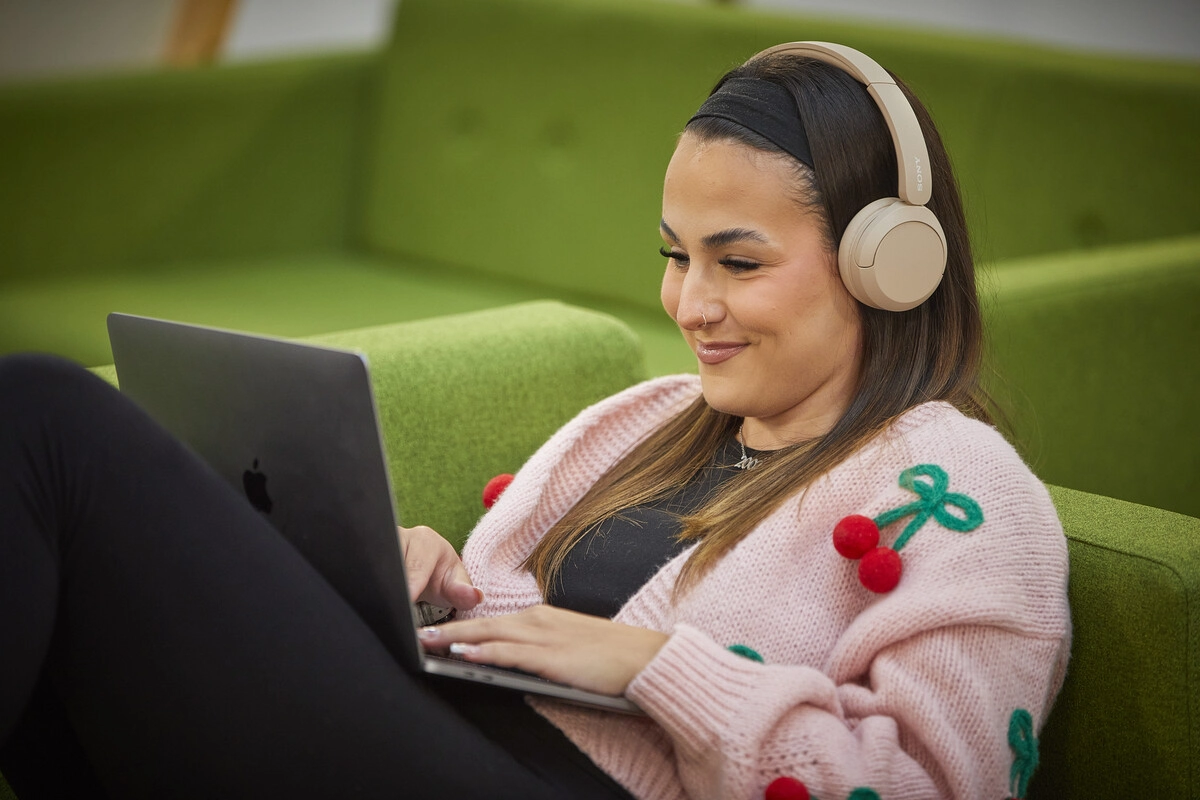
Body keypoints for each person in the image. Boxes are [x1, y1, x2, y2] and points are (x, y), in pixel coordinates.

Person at [0, 42, 1070, 800]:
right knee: (71, 569)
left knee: (49, 418)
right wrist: (413, 584)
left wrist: (653, 666)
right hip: (449, 736)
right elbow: (526, 633)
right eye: (674, 255)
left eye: (737, 261)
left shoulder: (965, 490)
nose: (688, 304)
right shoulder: (654, 417)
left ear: (890, 266)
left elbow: (938, 781)